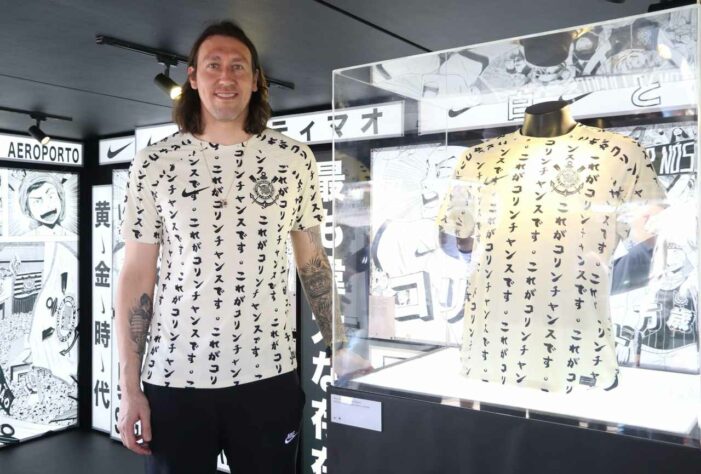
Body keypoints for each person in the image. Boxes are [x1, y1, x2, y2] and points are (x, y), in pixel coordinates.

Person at [116, 21, 366, 474]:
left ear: (255, 80)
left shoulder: (294, 159)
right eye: (213, 65)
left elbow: (311, 257)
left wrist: (339, 345)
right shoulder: (155, 162)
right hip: (173, 376)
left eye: (238, 66)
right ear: (193, 77)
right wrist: (130, 387)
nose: (226, 77)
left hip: (268, 375)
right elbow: (136, 275)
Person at [18, 173, 76, 238]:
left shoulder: (73, 237)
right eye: (37, 201)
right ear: (27, 209)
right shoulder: (24, 240)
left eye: (51, 196)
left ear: (60, 197)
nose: (47, 205)